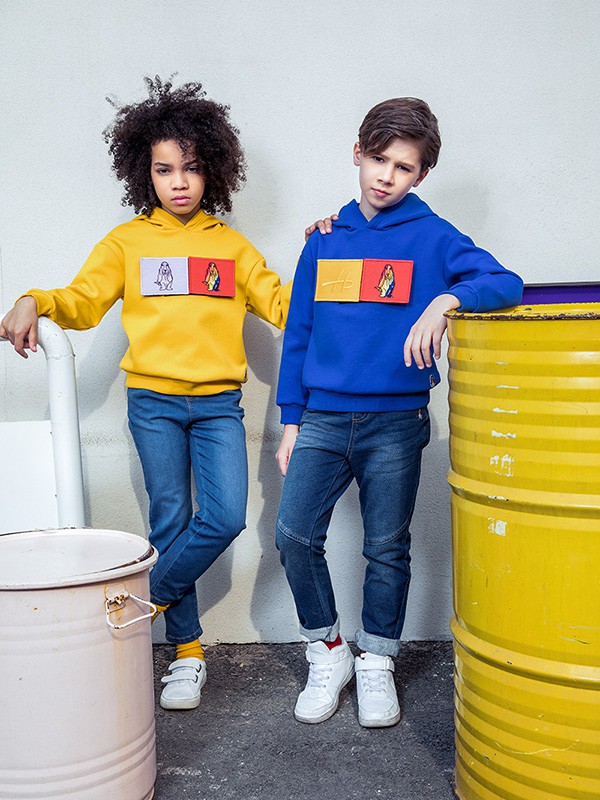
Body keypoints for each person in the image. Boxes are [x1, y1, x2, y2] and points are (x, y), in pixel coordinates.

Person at [0, 77, 296, 712]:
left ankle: (138, 602)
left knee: (224, 517)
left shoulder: (232, 248)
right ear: (146, 172)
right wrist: (33, 299)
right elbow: (80, 302)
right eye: (165, 170)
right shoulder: (127, 243)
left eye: (192, 168)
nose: (179, 183)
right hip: (153, 405)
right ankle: (186, 653)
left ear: (214, 170)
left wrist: (337, 257)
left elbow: (285, 307)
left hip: (217, 405)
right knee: (171, 522)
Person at [275, 97, 523, 728]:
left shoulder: (435, 236)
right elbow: (300, 331)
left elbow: (506, 283)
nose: (386, 176)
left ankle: (377, 659)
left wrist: (446, 300)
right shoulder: (326, 239)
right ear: (358, 154)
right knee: (294, 536)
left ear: (421, 175)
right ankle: (328, 650)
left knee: (386, 548)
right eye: (378, 160)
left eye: (404, 167)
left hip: (396, 423)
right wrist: (292, 419)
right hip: (322, 419)